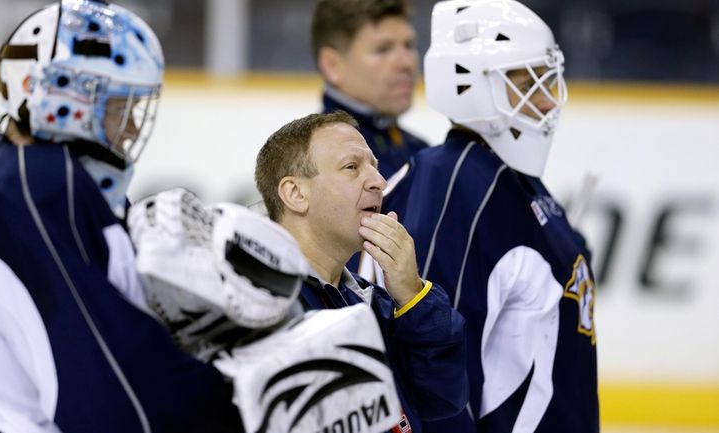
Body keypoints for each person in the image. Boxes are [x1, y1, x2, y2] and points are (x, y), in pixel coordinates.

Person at [0, 1, 245, 431]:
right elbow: (112, 400)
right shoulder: (32, 186)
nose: (130, 130)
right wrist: (241, 395)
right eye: (117, 108)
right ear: (56, 96)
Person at [370, 0, 600, 431]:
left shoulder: (514, 179)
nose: (549, 99)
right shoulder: (451, 185)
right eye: (530, 82)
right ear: (470, 85)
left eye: (550, 80)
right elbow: (433, 369)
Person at [254, 110, 468, 433]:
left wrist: (413, 296)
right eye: (352, 167)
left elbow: (442, 397)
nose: (379, 182)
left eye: (375, 167)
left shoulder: (372, 304)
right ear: (296, 194)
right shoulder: (256, 308)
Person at [311, 0, 428, 180]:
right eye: (383, 49)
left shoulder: (420, 150)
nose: (406, 63)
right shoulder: (316, 165)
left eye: (408, 46)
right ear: (332, 65)